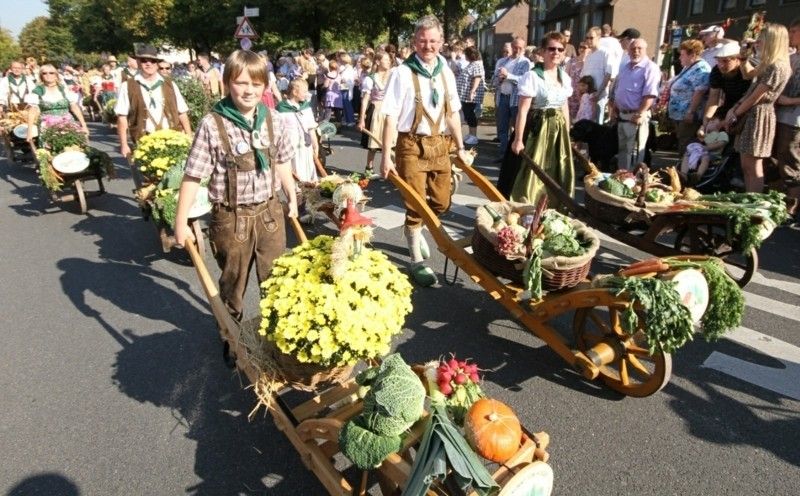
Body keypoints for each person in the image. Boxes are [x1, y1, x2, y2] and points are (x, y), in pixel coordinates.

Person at [173, 49, 298, 322]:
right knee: (233, 284)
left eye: (256, 84)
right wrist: (180, 221)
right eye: (241, 83)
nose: (249, 90)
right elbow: (193, 176)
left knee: (277, 281)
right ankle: (231, 334)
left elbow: (282, 162)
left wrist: (291, 193)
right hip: (231, 219)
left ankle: (276, 335)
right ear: (228, 82)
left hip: (270, 214)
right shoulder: (212, 124)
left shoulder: (274, 119)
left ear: (265, 85)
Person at [380, 15, 471, 287]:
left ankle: (417, 231)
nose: (427, 46)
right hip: (410, 145)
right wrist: (386, 155)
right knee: (416, 203)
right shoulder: (401, 73)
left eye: (433, 41)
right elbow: (390, 118)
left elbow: (453, 113)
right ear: (414, 42)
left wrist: (462, 147)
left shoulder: (445, 72)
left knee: (442, 202)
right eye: (422, 40)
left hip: (440, 144)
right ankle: (415, 259)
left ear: (441, 42)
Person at [508, 31, 573, 208]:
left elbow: (564, 107)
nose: (556, 52)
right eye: (551, 48)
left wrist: (567, 134)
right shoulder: (533, 76)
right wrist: (518, 139)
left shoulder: (564, 77)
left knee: (556, 169)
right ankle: (528, 207)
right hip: (537, 130)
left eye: (560, 49)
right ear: (543, 51)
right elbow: (523, 110)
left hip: (557, 131)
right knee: (533, 170)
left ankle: (553, 206)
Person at [725, 23, 792, 193]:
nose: (757, 42)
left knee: (753, 166)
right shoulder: (769, 64)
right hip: (753, 114)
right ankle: (750, 199)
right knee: (746, 165)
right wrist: (743, 57)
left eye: (761, 39)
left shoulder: (778, 66)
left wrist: (735, 113)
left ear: (772, 41)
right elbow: (747, 74)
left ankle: (755, 203)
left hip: (759, 115)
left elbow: (757, 96)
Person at [114, 44, 192, 186]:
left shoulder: (169, 84)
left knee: (175, 183)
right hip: (144, 141)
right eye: (144, 60)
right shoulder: (128, 86)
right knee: (148, 184)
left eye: (152, 61)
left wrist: (189, 136)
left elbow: (182, 112)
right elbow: (122, 117)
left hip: (172, 140)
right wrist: (124, 144)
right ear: (138, 62)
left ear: (157, 64)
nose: (148, 63)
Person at [610, 38, 660, 170]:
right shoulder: (626, 67)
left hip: (636, 116)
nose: (636, 51)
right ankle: (622, 179)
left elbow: (650, 94)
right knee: (623, 151)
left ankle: (633, 183)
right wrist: (614, 108)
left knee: (634, 153)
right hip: (622, 115)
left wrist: (640, 113)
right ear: (628, 51)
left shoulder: (650, 68)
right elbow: (619, 89)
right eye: (633, 49)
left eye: (639, 49)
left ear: (645, 50)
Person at [24, 64, 90, 149]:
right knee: (51, 150)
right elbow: (32, 112)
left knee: (73, 147)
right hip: (47, 126)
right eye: (45, 73)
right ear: (41, 76)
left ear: (56, 75)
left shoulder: (63, 89)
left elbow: (74, 107)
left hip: (67, 123)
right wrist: (29, 131)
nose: (48, 75)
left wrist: (84, 125)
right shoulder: (38, 90)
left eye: (51, 73)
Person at [277, 78, 325, 186]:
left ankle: (309, 196)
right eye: (304, 91)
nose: (307, 94)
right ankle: (296, 195)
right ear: (294, 92)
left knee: (308, 173)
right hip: (291, 148)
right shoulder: (281, 109)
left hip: (305, 147)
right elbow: (278, 132)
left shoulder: (306, 107)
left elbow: (311, 128)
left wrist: (315, 145)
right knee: (295, 174)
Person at [774, 18, 800, 218]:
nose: (789, 36)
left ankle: (791, 209)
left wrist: (789, 101)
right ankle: (783, 201)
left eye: (793, 32)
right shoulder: (793, 57)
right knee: (780, 159)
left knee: (791, 161)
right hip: (782, 116)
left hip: (795, 119)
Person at [668, 39, 711, 156]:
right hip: (679, 114)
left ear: (692, 55)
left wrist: (691, 112)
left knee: (686, 144)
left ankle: (684, 171)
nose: (680, 58)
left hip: (688, 115)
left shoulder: (701, 69)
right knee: (682, 141)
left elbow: (699, 91)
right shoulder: (689, 66)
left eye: (682, 55)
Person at [701, 42, 752, 137]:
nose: (721, 65)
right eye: (718, 61)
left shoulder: (750, 70)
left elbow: (752, 98)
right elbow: (713, 98)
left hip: (748, 107)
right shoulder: (716, 71)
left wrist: (727, 119)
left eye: (725, 61)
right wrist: (706, 120)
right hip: (729, 106)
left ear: (738, 59)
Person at [493, 37, 531, 159]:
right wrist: (499, 79)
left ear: (524, 49)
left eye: (520, 48)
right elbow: (493, 80)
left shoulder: (525, 63)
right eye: (515, 47)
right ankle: (503, 155)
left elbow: (524, 81)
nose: (517, 50)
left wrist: (508, 75)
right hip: (503, 97)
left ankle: (515, 157)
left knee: (517, 129)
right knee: (502, 129)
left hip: (516, 100)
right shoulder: (502, 62)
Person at [358, 51, 393, 178]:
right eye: (386, 59)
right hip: (377, 111)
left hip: (391, 112)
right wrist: (361, 119)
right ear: (378, 62)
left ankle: (392, 168)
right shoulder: (370, 78)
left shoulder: (393, 76)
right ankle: (369, 168)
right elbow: (365, 99)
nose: (389, 61)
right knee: (374, 143)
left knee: (393, 142)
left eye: (389, 59)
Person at [680, 111, 728, 185]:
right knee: (687, 154)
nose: (710, 122)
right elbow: (699, 134)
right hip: (701, 152)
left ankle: (698, 175)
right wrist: (702, 128)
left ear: (721, 124)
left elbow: (721, 143)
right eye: (709, 121)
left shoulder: (722, 134)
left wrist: (707, 147)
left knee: (705, 157)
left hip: (712, 154)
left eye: (713, 121)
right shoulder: (706, 135)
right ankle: (683, 174)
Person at [581, 27, 616, 123]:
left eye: (591, 38)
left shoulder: (606, 53)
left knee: (597, 123)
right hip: (588, 95)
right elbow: (583, 76)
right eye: (587, 38)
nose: (588, 40)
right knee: (586, 123)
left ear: (599, 38)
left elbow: (608, 74)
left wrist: (599, 92)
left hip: (599, 94)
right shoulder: (588, 56)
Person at [456, 46, 485, 146]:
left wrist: (472, 91)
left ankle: (474, 136)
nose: (465, 56)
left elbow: (477, 78)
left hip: (470, 95)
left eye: (466, 54)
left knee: (470, 114)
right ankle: (471, 134)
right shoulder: (472, 64)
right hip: (465, 95)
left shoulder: (476, 64)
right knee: (468, 114)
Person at [566, 42, 589, 120]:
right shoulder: (571, 61)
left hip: (583, 94)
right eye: (580, 47)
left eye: (584, 47)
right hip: (572, 93)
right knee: (569, 117)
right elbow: (566, 76)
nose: (582, 49)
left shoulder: (589, 62)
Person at [338, 53, 357, 127]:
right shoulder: (344, 67)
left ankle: (351, 120)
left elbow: (350, 79)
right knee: (344, 104)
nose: (340, 60)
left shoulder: (349, 68)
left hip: (347, 87)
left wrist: (343, 80)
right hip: (343, 86)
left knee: (348, 104)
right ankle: (346, 119)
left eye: (341, 59)